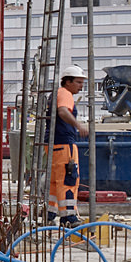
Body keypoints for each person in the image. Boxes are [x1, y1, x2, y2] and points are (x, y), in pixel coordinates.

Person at [48, 66, 87, 225]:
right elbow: (63, 111)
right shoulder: (65, 93)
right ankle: (68, 217)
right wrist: (78, 125)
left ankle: (49, 215)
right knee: (68, 180)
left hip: (53, 144)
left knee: (54, 182)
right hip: (64, 144)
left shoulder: (54, 94)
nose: (81, 86)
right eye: (78, 82)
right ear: (67, 82)